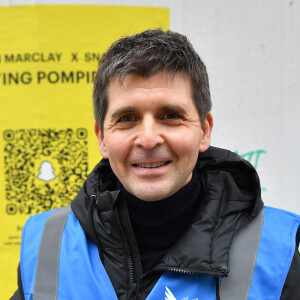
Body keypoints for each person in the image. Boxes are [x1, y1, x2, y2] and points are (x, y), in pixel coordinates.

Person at [11, 29, 300, 300]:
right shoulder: (46, 245)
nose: (148, 140)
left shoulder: (274, 251)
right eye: (126, 118)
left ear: (205, 130)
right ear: (102, 138)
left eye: (170, 115)